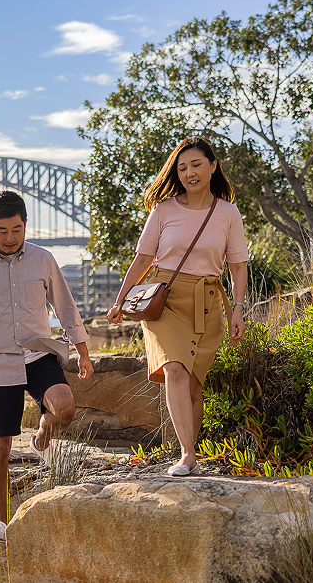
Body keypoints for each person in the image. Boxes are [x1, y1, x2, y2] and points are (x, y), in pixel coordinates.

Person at [0, 190, 94, 542]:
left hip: (37, 353)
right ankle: (0, 523)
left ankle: (43, 430)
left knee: (64, 406)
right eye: (2, 231)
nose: (11, 238)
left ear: (26, 224)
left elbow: (65, 307)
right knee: (0, 446)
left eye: (17, 229)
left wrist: (83, 352)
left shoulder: (43, 259)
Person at [107, 136, 248, 477]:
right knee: (174, 369)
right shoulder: (164, 210)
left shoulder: (228, 213)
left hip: (207, 302)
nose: (189, 173)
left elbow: (238, 265)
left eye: (196, 165)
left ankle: (190, 449)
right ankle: (187, 454)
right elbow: (143, 258)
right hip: (165, 299)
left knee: (194, 385)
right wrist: (121, 299)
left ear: (213, 166)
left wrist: (238, 309)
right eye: (181, 168)